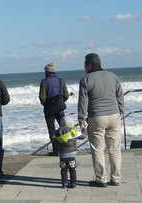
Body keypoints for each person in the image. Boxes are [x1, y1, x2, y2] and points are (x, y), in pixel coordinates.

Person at [78, 53, 124, 187]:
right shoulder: (113, 76)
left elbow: (83, 102)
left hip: (96, 116)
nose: (84, 67)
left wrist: (81, 119)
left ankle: (101, 179)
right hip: (114, 115)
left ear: (90, 65)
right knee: (114, 148)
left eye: (85, 65)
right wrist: (120, 112)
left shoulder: (86, 79)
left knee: (98, 149)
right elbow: (120, 96)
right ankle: (116, 178)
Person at [39, 62, 70, 156]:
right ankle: (66, 148)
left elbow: (42, 98)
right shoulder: (61, 81)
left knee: (52, 130)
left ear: (47, 72)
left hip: (49, 109)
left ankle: (56, 150)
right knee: (63, 128)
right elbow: (66, 95)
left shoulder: (44, 82)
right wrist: (60, 101)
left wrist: (46, 104)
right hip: (60, 108)